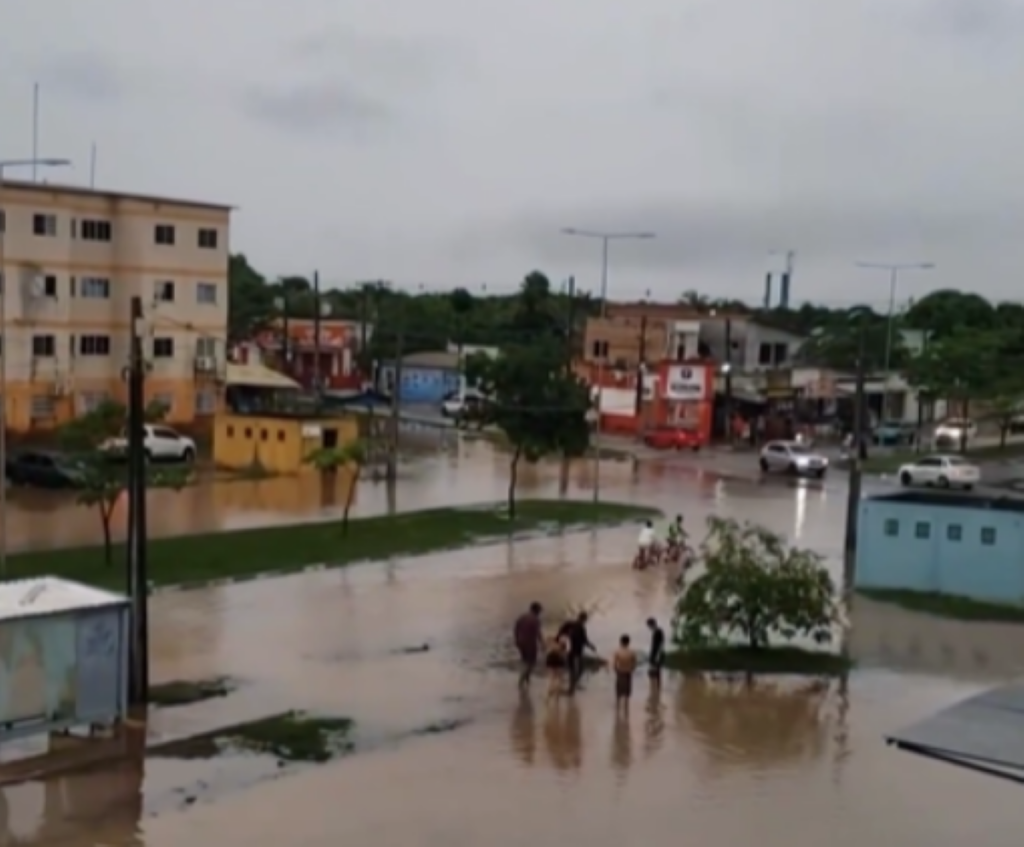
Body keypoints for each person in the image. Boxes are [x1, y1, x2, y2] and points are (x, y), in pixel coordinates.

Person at [558, 611, 596, 694]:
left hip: (570, 649)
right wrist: (591, 646)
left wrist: (559, 641)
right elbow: (584, 640)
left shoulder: (570, 624)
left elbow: (560, 632)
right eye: (585, 619)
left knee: (573, 669)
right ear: (584, 619)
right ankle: (571, 688)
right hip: (577, 650)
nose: (585, 621)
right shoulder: (581, 627)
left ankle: (572, 686)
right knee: (579, 668)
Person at [513, 602, 545, 690]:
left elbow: (516, 629)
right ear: (537, 610)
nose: (540, 613)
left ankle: (527, 679)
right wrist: (543, 644)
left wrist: (516, 640)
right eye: (539, 611)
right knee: (531, 662)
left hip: (520, 642)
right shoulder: (535, 620)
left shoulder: (522, 617)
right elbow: (538, 633)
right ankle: (522, 680)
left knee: (525, 660)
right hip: (530, 643)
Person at [612, 634, 638, 713]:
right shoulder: (632, 652)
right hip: (628, 672)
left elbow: (614, 664)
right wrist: (631, 669)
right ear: (628, 642)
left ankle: (618, 704)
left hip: (620, 671)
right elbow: (634, 663)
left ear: (620, 642)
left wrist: (616, 670)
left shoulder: (617, 651)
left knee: (618, 689)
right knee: (627, 689)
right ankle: (626, 705)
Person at [545, 630, 570, 700]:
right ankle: (556, 696)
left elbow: (547, 648)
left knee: (551, 679)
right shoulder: (564, 641)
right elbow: (566, 652)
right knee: (559, 679)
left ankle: (548, 695)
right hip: (559, 661)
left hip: (550, 660)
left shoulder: (551, 641)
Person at [646, 617, 665, 694]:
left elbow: (661, 644)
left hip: (656, 654)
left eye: (648, 625)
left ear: (652, 624)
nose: (648, 627)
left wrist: (657, 655)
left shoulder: (658, 631)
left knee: (655, 672)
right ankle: (655, 688)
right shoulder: (656, 631)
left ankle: (656, 689)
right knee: (654, 672)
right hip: (654, 654)